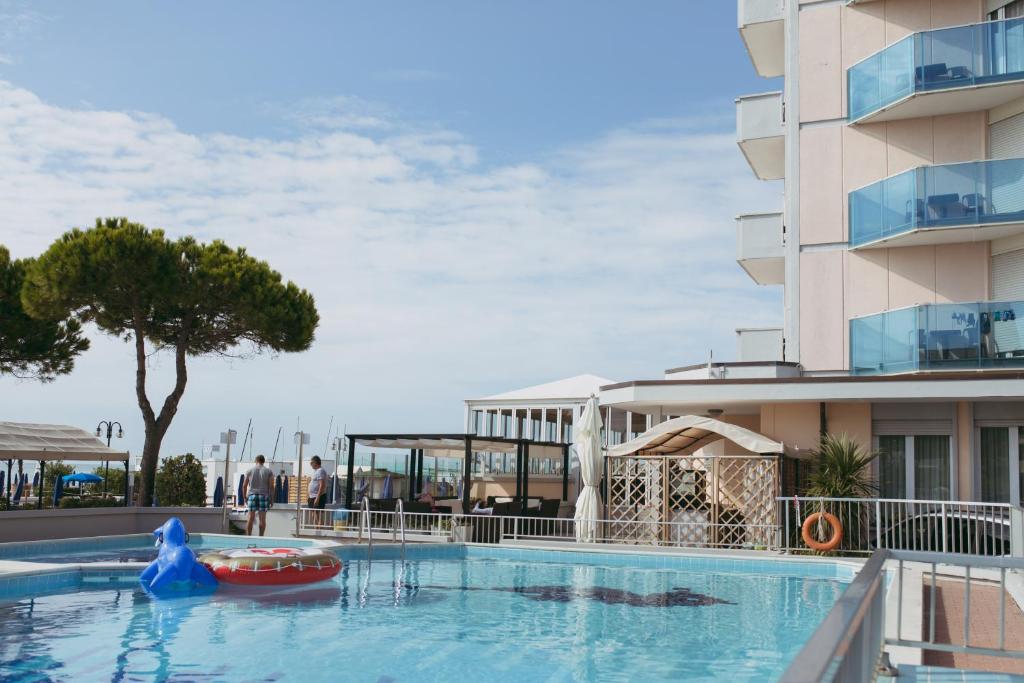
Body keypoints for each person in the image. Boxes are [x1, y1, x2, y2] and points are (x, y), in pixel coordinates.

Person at [241, 455, 273, 536]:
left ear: (256, 461)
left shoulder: (250, 470)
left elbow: (244, 485)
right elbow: (271, 486)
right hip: (263, 495)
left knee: (250, 518)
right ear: (263, 461)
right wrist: (271, 499)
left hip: (252, 495)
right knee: (262, 519)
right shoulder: (268, 471)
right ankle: (260, 537)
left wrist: (244, 497)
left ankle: (248, 537)